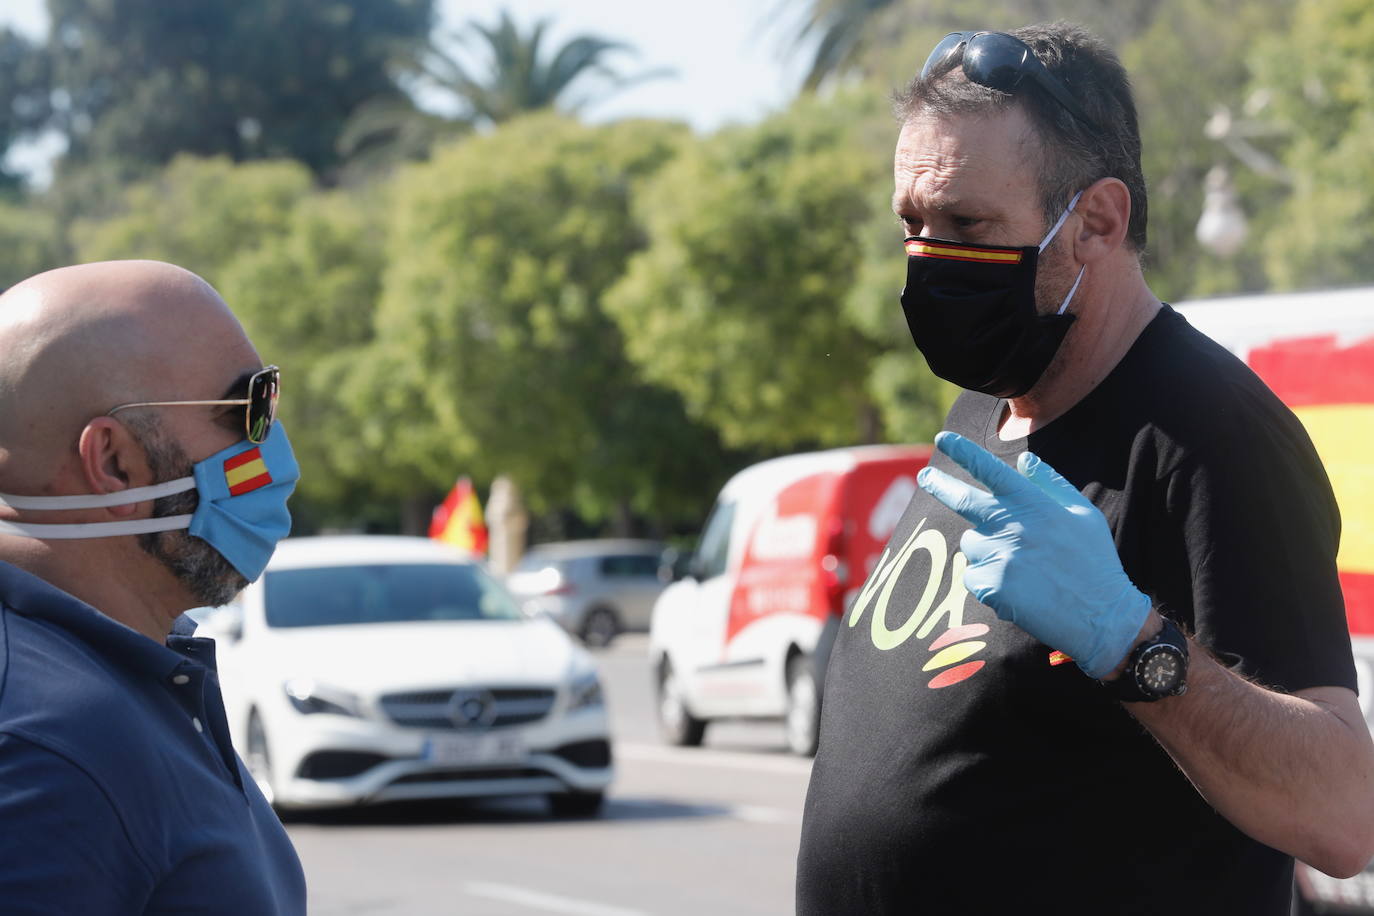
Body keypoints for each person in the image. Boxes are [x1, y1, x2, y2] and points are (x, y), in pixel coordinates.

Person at [796, 22, 1374, 915]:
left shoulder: (1209, 433)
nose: (926, 261)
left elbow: (1342, 813)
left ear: (1096, 221)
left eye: (967, 224)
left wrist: (1130, 642)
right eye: (911, 224)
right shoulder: (987, 408)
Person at [0, 260, 307, 913]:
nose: (272, 445)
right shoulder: (46, 746)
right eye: (248, 408)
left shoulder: (125, 669)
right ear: (113, 462)